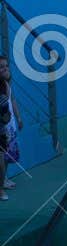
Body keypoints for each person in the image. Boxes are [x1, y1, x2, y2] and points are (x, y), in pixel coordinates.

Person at [0, 56, 17, 200]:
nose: (5, 69)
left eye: (6, 66)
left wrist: (18, 117)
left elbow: (12, 101)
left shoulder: (7, 84)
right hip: (2, 126)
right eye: (1, 67)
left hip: (9, 125)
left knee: (7, 154)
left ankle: (3, 179)